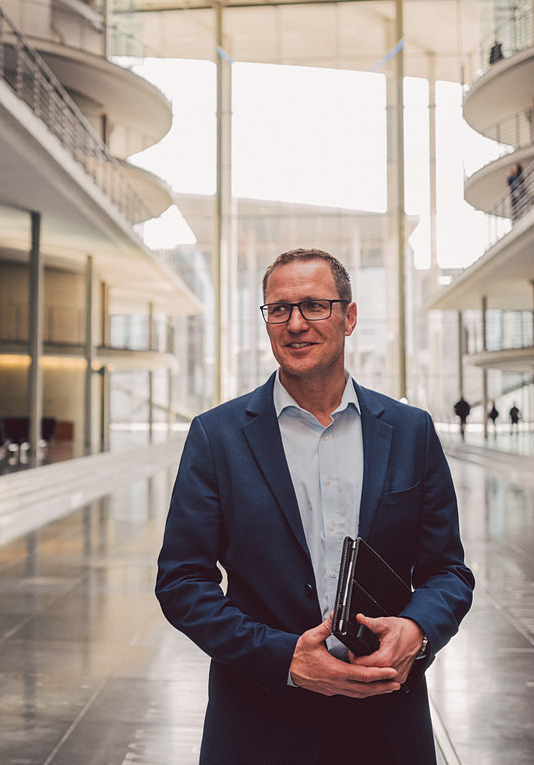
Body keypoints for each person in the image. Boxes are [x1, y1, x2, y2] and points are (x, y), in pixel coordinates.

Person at [156, 248, 474, 764]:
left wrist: (415, 631)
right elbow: (181, 581)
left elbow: (447, 571)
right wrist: (285, 658)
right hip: (261, 725)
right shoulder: (217, 436)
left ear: (349, 317)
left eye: (315, 306)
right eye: (279, 309)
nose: (295, 324)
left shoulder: (410, 431)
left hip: (387, 723)